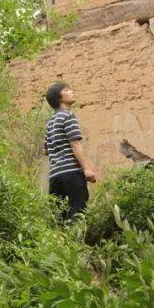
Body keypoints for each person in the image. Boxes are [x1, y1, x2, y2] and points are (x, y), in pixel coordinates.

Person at [43, 82, 98, 222]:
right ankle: (76, 241)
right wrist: (86, 169)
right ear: (59, 98)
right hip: (72, 173)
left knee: (58, 218)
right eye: (67, 90)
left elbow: (45, 151)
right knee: (78, 212)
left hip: (55, 176)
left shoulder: (49, 122)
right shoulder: (68, 116)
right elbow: (75, 143)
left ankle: (60, 242)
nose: (72, 91)